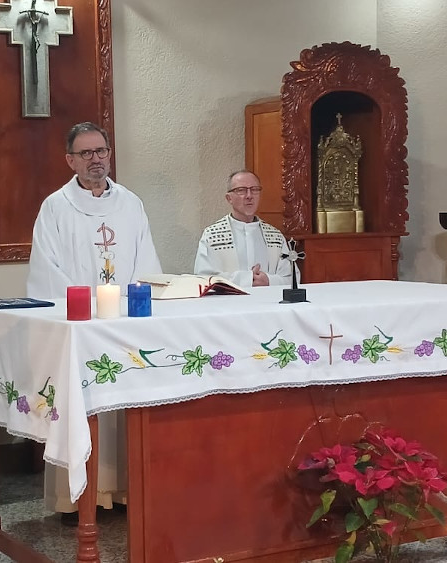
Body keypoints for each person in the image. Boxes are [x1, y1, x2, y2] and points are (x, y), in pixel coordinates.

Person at [27, 121, 162, 523]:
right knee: (79, 407)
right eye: (85, 153)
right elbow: (46, 269)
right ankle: (77, 499)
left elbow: (145, 261)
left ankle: (124, 491)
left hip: (124, 326)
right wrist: (85, 310)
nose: (95, 159)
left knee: (126, 404)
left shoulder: (130, 203)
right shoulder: (56, 207)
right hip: (79, 328)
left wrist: (131, 306)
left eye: (100, 151)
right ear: (70, 160)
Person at [194, 170, 293, 286]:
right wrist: (247, 280)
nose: (249, 196)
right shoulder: (212, 235)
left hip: (269, 297)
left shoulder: (276, 237)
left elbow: (291, 277)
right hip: (229, 298)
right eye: (241, 190)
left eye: (254, 189)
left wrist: (269, 281)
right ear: (229, 198)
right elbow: (203, 278)